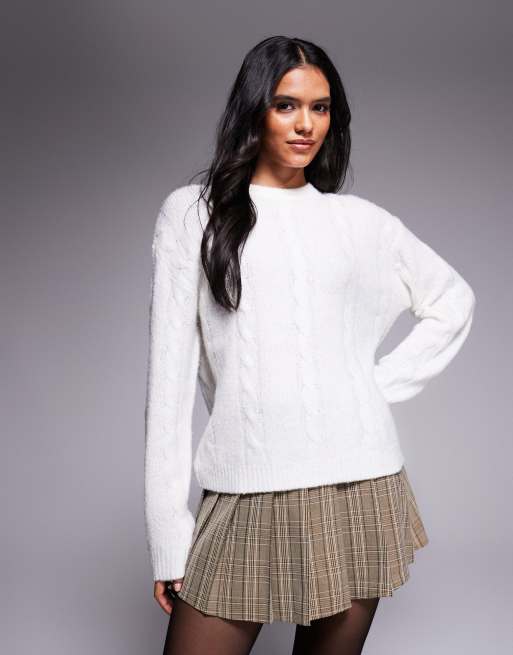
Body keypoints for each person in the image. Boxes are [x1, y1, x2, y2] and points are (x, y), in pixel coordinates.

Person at [144, 35, 476, 655]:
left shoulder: (359, 222)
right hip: (247, 488)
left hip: (361, 483)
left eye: (320, 108)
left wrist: (370, 388)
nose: (306, 125)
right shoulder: (193, 214)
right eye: (286, 105)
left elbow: (452, 300)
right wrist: (168, 533)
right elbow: (168, 389)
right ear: (254, 110)